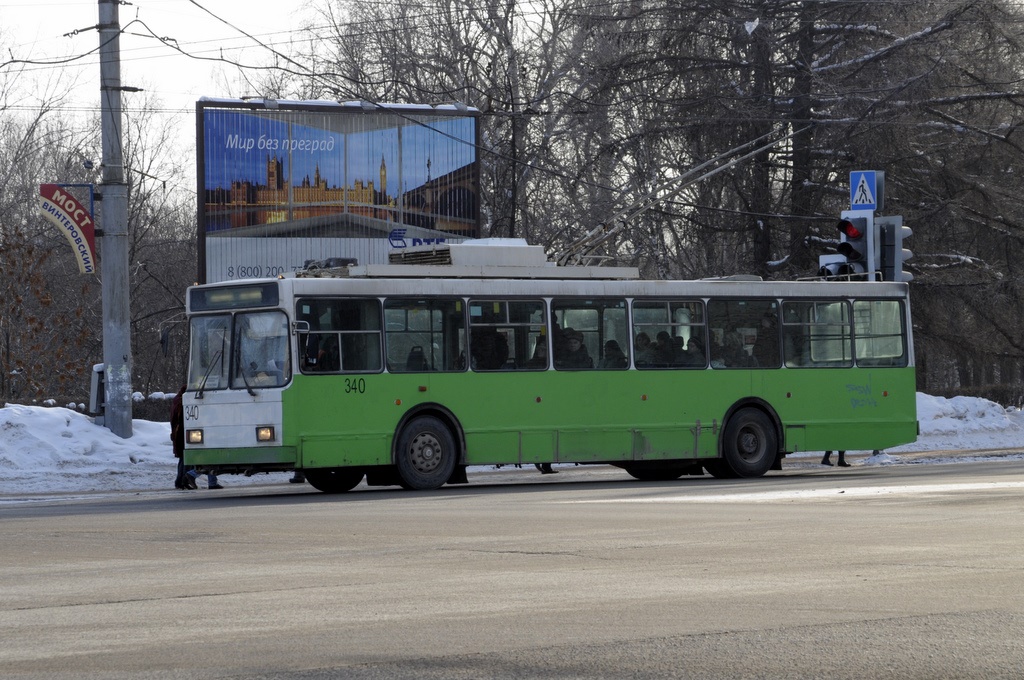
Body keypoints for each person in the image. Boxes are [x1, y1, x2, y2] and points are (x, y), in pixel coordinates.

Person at [170, 384, 224, 490]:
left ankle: (181, 481)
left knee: (184, 458)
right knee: (193, 458)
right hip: (186, 433)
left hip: (180, 433)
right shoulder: (183, 401)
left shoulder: (177, 400)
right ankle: (186, 479)